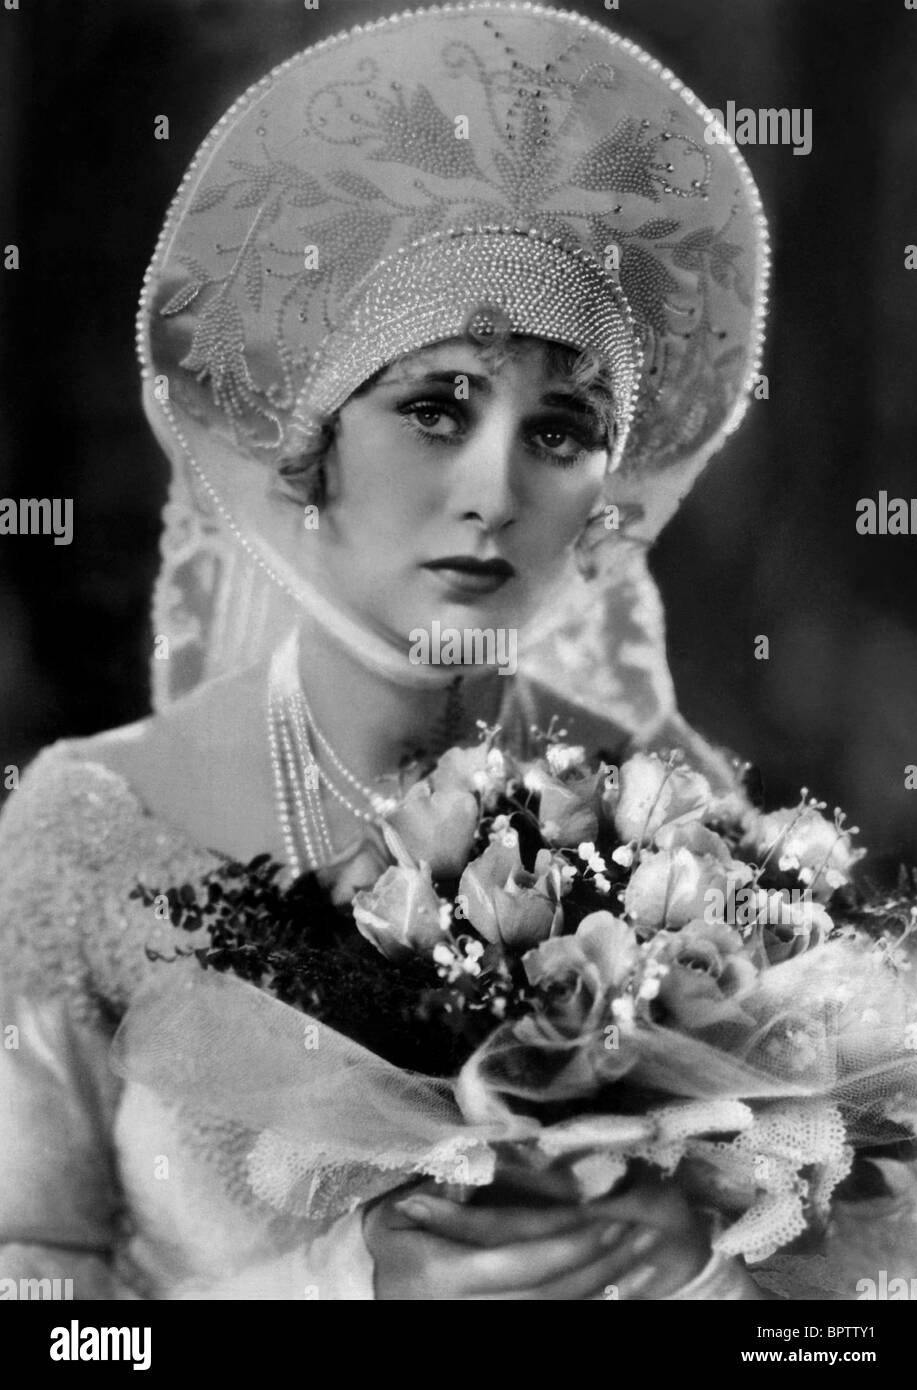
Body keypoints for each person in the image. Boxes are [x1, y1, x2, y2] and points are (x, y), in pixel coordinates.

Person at [0, 3, 787, 1299]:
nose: (491, 490)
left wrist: (718, 1252)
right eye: (435, 406)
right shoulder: (90, 826)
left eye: (560, 430)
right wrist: (343, 1283)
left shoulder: (669, 824)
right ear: (307, 452)